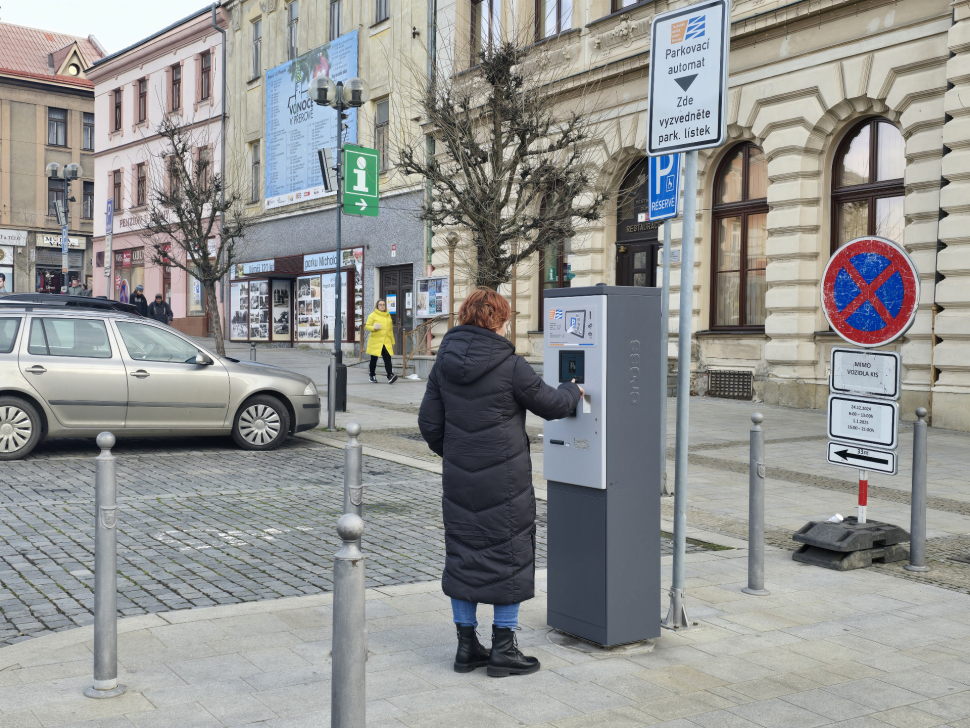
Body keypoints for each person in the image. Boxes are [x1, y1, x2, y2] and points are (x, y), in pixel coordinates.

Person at [417, 287, 583, 677]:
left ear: (464, 315)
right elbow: (553, 405)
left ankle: (466, 648)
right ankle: (504, 649)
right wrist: (573, 389)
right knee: (510, 556)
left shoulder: (443, 363)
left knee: (463, 554)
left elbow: (429, 424)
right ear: (499, 320)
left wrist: (458, 454)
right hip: (505, 481)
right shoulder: (510, 364)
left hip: (460, 478)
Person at [364, 299, 398, 384]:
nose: (382, 306)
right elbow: (367, 326)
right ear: (377, 306)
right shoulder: (373, 315)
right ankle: (372, 375)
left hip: (385, 341)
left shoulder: (388, 316)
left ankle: (390, 375)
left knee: (387, 358)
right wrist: (374, 328)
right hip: (375, 341)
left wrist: (392, 341)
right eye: (380, 305)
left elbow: (390, 330)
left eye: (383, 305)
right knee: (374, 359)